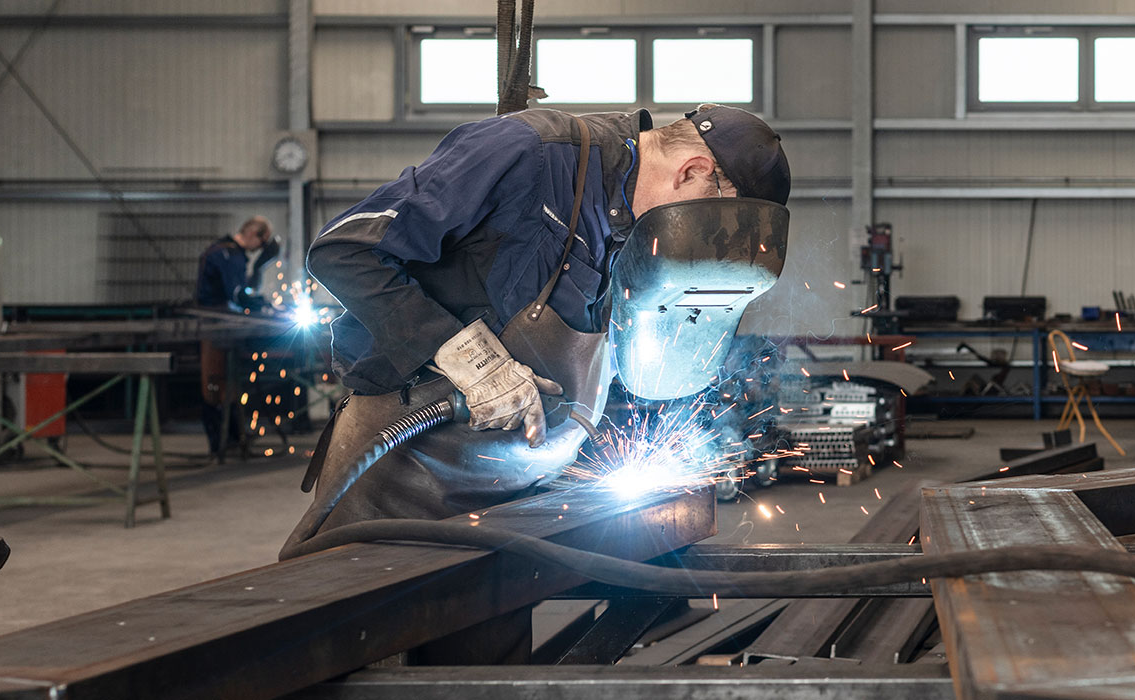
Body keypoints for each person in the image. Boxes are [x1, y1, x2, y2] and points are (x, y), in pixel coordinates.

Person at [281, 104, 790, 559]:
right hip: (407, 465)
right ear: (693, 172)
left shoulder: (636, 228)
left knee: (487, 664)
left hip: (513, 497)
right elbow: (343, 251)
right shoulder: (529, 154)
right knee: (372, 641)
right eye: (710, 224)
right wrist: (465, 357)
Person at [195, 216, 280, 456]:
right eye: (260, 245)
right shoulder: (228, 255)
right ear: (255, 234)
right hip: (215, 325)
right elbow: (237, 295)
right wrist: (261, 303)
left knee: (227, 384)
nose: (257, 252)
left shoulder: (226, 252)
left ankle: (231, 438)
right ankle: (221, 443)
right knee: (215, 384)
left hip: (223, 324)